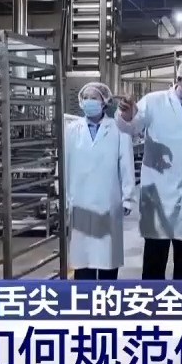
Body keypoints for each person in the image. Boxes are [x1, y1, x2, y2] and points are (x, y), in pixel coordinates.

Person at [117, 57, 182, 280]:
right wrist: (127, 116)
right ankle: (152, 302)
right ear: (179, 80)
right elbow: (132, 127)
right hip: (158, 194)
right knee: (154, 264)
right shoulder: (154, 102)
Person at [64, 82, 136, 280]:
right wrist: (62, 195)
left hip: (108, 201)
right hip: (80, 201)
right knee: (83, 260)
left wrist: (128, 198)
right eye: (86, 98)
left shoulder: (119, 129)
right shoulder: (71, 130)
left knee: (107, 259)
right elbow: (64, 163)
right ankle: (84, 296)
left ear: (104, 102)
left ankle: (106, 296)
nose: (89, 102)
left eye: (94, 98)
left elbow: (126, 165)